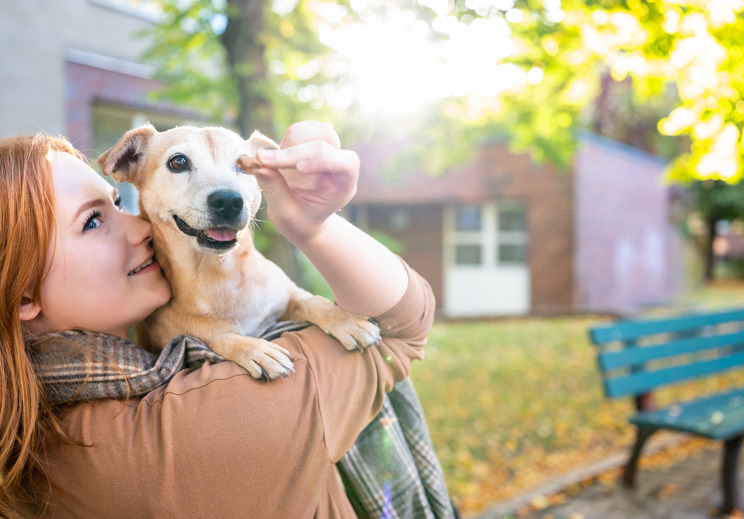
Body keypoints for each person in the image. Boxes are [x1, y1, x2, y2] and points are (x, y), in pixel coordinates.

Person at [0, 121, 438, 518]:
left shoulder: (35, 423)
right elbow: (396, 332)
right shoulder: (191, 424)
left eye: (118, 202)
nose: (141, 226)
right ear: (23, 294)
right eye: (93, 222)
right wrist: (315, 227)